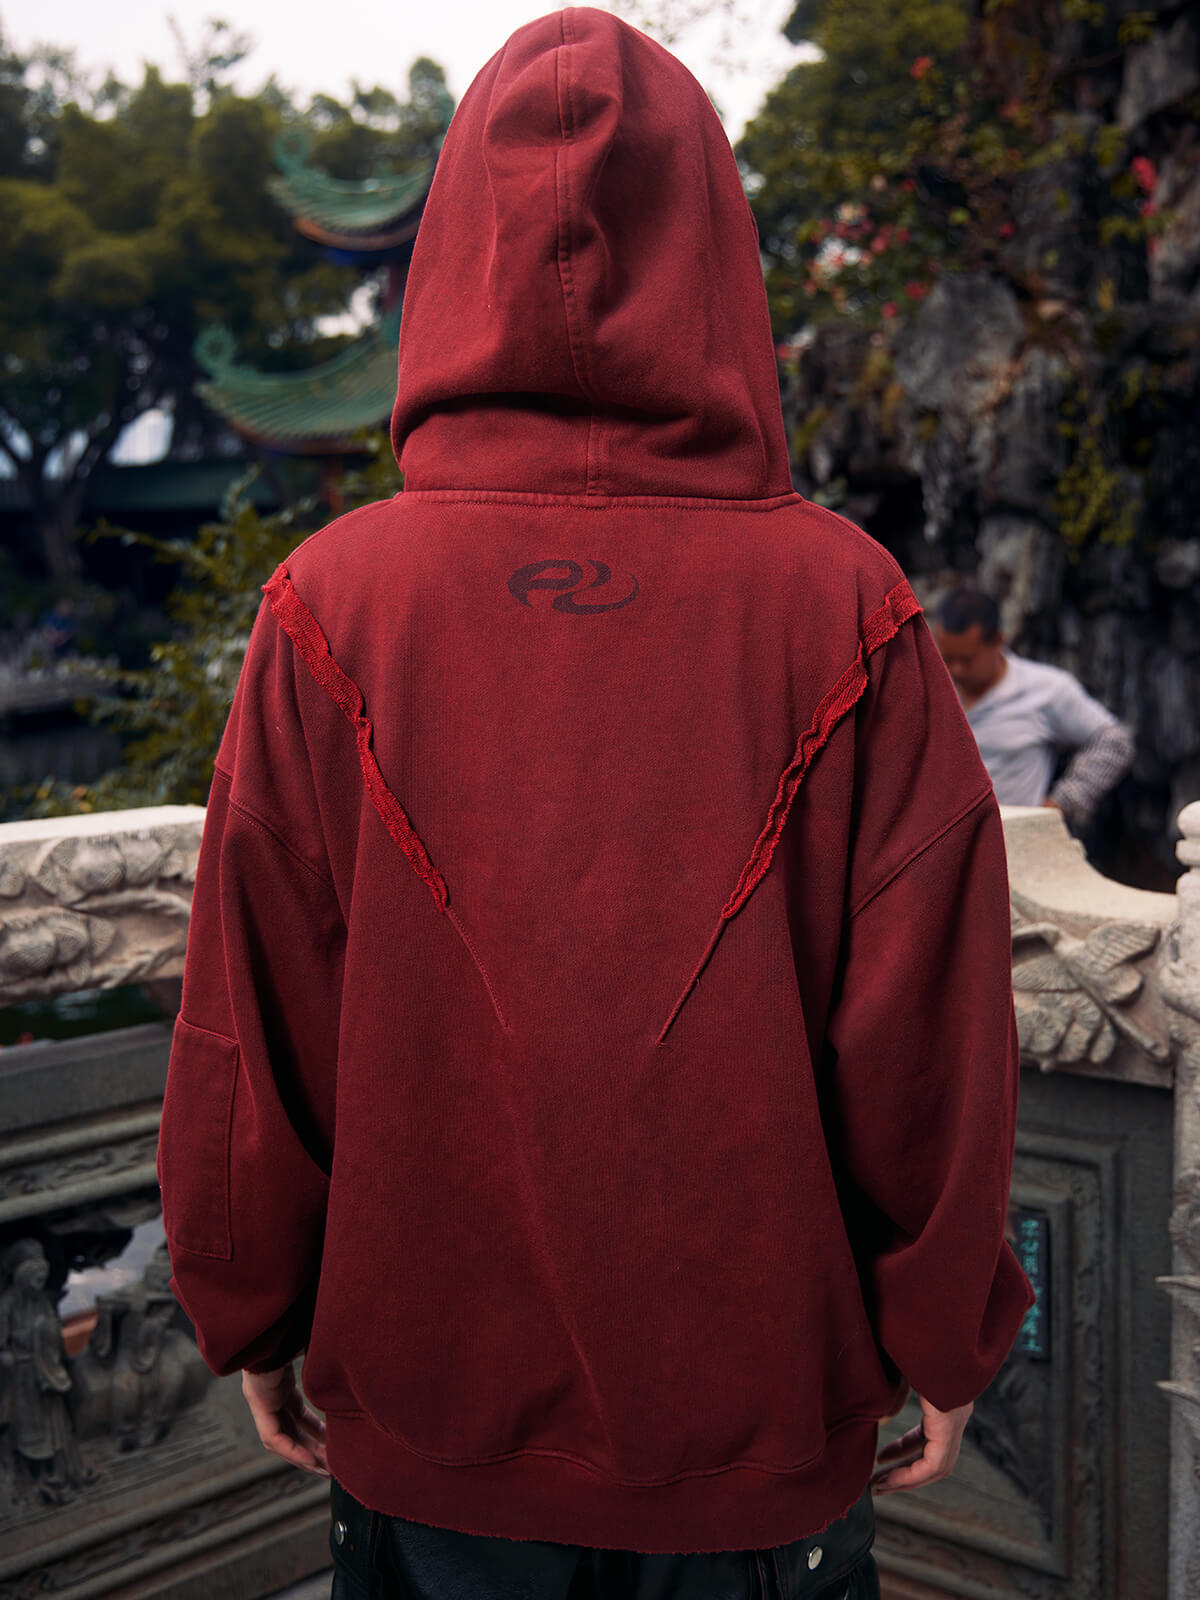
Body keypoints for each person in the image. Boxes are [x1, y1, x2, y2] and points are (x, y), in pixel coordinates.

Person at [157, 10, 1033, 1598]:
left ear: (450, 252)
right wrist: (946, 1328)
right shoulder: (845, 605)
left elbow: (251, 1024)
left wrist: (251, 1305)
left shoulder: (330, 605)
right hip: (757, 1423)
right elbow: (928, 1032)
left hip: (427, 1408)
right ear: (713, 247)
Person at [933, 588, 1135, 827]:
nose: (956, 670)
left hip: (1012, 839)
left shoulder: (1045, 690)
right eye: (948, 659)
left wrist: (1062, 802)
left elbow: (1114, 742)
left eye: (967, 660)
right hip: (941, 839)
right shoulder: (931, 689)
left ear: (998, 641)